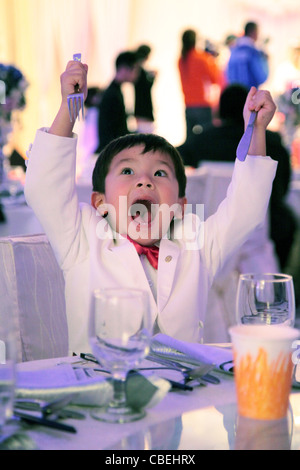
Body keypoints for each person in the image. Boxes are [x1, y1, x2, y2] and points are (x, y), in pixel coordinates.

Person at [24, 59, 277, 355]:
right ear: (100, 203)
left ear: (181, 206)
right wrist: (69, 107)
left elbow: (245, 209)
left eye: (159, 173)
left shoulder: (194, 242)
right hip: (102, 390)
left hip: (183, 395)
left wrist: (255, 129)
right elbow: (44, 188)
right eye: (128, 171)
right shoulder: (82, 237)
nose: (144, 181)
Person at [178, 84, 297, 270]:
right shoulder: (271, 141)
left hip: (208, 222)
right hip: (263, 229)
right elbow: (282, 188)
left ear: (220, 110)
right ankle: (278, 276)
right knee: (287, 220)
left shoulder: (203, 140)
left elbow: (175, 161)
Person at [178, 29, 221, 141]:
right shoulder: (202, 58)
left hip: (188, 103)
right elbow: (214, 79)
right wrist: (213, 60)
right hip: (202, 104)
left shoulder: (181, 60)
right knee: (207, 139)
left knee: (189, 139)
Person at [95, 51, 139, 153]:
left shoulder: (114, 91)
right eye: (135, 69)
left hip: (110, 149)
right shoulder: (112, 94)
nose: (136, 74)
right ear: (124, 69)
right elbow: (114, 131)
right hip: (110, 151)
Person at [226, 22, 269, 90]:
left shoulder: (234, 50)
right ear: (253, 32)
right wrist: (265, 61)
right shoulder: (253, 52)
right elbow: (262, 77)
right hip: (250, 95)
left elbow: (228, 75)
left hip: (235, 94)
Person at [134, 44, 156, 133]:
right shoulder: (139, 69)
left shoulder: (137, 68)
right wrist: (153, 77)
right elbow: (146, 87)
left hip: (140, 107)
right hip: (143, 107)